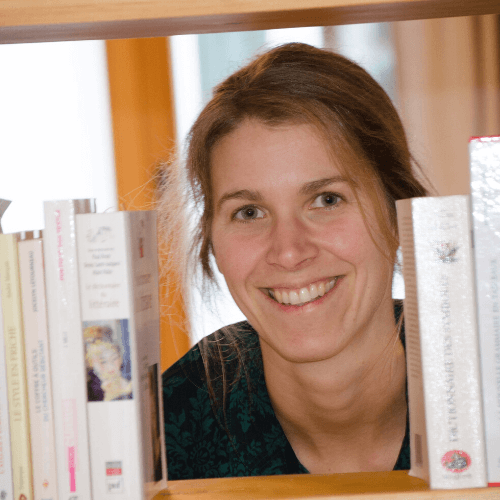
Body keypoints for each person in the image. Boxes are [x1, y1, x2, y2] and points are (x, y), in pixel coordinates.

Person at [160, 42, 429, 480]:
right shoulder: (167, 429)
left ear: (400, 214)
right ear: (212, 241)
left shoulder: (480, 384)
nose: (288, 252)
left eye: (327, 200)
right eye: (249, 212)